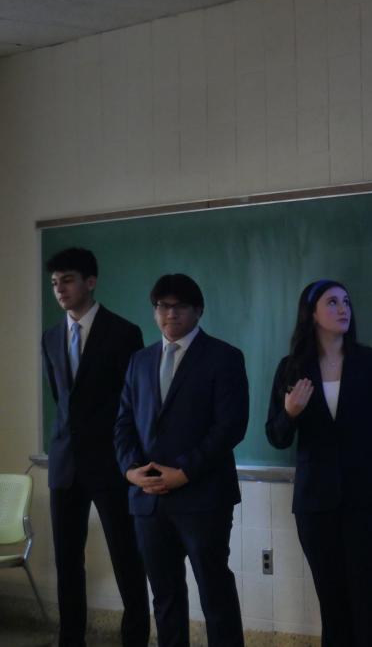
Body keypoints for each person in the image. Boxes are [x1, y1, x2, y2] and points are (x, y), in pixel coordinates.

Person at [266, 280, 372, 646]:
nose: (343, 308)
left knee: (368, 601)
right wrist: (290, 412)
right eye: (332, 302)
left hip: (368, 498)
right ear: (312, 314)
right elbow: (276, 437)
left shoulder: (370, 361)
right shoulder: (292, 369)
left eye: (346, 302)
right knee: (333, 604)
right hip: (316, 503)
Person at [113, 274, 248, 647]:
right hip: (148, 499)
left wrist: (185, 472)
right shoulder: (139, 361)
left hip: (203, 497)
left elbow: (230, 427)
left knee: (214, 592)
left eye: (180, 306)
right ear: (154, 311)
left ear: (198, 310)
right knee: (165, 596)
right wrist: (131, 470)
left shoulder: (224, 357)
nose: (170, 313)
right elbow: (123, 422)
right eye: (162, 306)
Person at [41, 247, 150, 647]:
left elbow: (133, 403)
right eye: (55, 283)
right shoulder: (51, 337)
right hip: (65, 464)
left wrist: (129, 458)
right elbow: (62, 400)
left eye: (67, 280)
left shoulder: (123, 333)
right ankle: (71, 639)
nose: (60, 289)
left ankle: (135, 638)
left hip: (110, 463)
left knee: (126, 557)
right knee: (68, 561)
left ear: (91, 281)